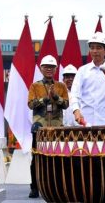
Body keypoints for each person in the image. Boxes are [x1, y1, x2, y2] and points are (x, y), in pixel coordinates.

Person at [27, 55, 69, 198]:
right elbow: (31, 104)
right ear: (41, 68)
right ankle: (34, 187)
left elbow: (66, 104)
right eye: (46, 67)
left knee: (58, 157)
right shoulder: (35, 86)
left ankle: (56, 186)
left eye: (52, 67)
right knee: (37, 157)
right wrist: (45, 98)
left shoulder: (61, 86)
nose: (49, 69)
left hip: (57, 128)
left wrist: (56, 97)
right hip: (40, 127)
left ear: (56, 69)